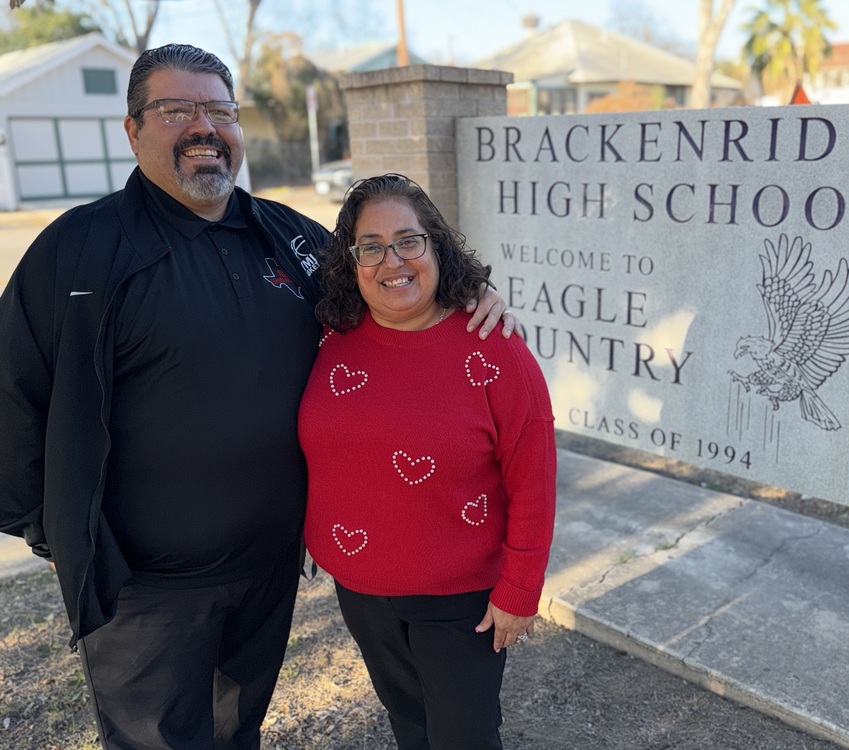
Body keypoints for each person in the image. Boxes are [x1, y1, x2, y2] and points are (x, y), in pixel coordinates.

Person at [0, 45, 517, 750]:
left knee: (235, 731)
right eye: (176, 109)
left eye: (218, 110)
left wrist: (466, 292)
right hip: (146, 586)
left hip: (266, 569)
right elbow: (11, 390)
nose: (202, 126)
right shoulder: (79, 251)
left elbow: (393, 284)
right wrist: (44, 523)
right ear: (132, 130)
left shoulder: (293, 241)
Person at [299, 173, 557, 749]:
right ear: (353, 260)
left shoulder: (492, 345)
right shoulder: (326, 335)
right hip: (361, 588)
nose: (392, 260)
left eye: (409, 240)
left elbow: (533, 474)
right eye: (371, 246)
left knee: (463, 737)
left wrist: (520, 588)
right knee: (409, 726)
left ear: (436, 246)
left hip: (460, 597)